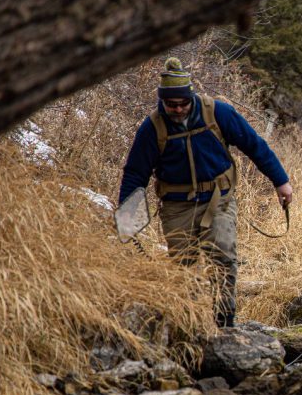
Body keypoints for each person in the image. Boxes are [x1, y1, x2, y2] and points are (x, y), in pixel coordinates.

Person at [118, 57, 293, 328]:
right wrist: (126, 216)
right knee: (183, 267)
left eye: (182, 104)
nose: (177, 109)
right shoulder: (152, 127)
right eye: (170, 105)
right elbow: (135, 173)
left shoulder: (218, 113)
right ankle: (190, 322)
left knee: (223, 256)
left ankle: (225, 320)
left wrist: (280, 181)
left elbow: (254, 145)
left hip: (218, 199)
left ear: (191, 97)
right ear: (162, 101)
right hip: (176, 206)